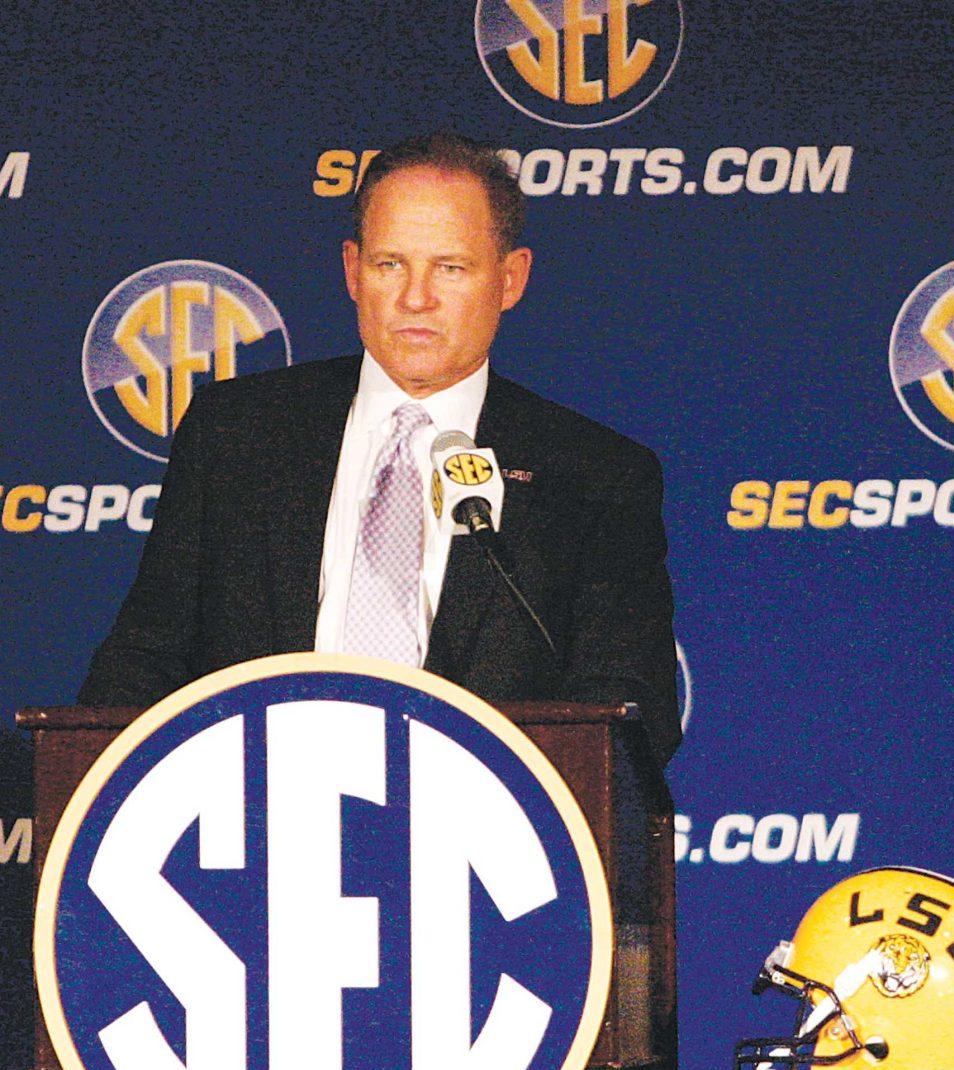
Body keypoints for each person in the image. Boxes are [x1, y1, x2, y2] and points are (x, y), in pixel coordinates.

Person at [80, 133, 682, 765]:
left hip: (478, 838)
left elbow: (629, 711)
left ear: (510, 279)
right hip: (252, 818)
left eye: (450, 268)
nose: (415, 298)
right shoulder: (236, 434)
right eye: (390, 264)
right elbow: (142, 662)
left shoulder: (594, 477)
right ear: (351, 271)